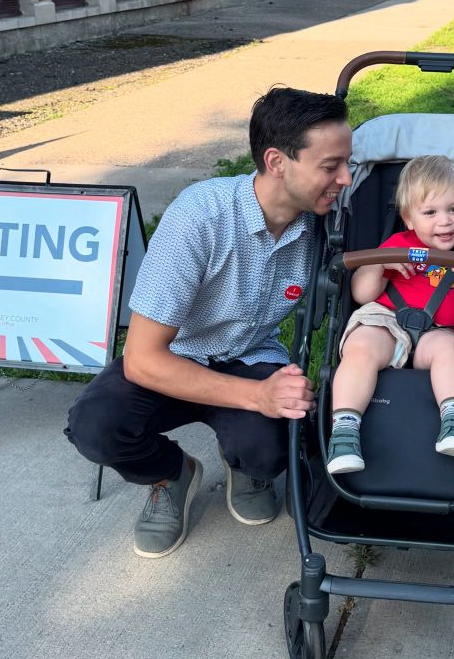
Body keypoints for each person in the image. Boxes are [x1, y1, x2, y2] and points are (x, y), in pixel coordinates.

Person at [64, 87, 352, 558]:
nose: (345, 177)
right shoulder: (199, 217)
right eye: (330, 166)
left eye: (348, 162)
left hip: (252, 353)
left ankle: (246, 463)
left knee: (275, 443)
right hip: (176, 357)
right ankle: (170, 474)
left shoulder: (330, 220)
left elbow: (420, 226)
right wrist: (258, 397)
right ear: (277, 162)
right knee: (95, 425)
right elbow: (142, 359)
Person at [326, 156, 454, 475]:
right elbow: (362, 294)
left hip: (438, 331)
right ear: (409, 218)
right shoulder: (395, 244)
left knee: (451, 351)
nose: (444, 222)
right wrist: (378, 265)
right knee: (361, 346)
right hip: (386, 321)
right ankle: (345, 430)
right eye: (430, 212)